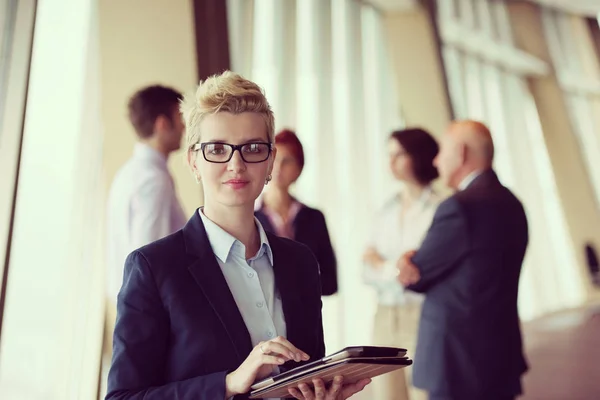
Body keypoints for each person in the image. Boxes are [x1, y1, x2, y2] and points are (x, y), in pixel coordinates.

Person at [106, 71, 370, 400]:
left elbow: (306, 375)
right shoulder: (152, 268)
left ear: (270, 161)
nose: (236, 164)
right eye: (217, 149)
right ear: (193, 161)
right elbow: (123, 397)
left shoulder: (300, 262)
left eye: (253, 148)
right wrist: (229, 383)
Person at [398, 121, 529, 400]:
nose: (435, 160)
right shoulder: (513, 204)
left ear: (460, 153)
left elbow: (416, 275)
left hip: (457, 362)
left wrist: (406, 262)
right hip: (500, 354)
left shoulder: (459, 207)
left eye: (441, 151)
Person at [362, 128, 441, 400]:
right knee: (387, 396)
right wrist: (397, 268)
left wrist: (382, 263)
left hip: (422, 316)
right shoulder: (386, 210)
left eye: (399, 154)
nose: (391, 162)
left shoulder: (440, 208)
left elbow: (427, 269)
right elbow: (365, 267)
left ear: (418, 156)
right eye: (389, 155)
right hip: (384, 317)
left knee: (423, 394)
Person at [106, 85, 187, 305]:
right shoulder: (153, 180)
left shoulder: (128, 173)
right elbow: (149, 258)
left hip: (133, 304)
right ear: (162, 124)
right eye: (180, 118)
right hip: (151, 310)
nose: (184, 127)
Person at [255, 129, 338, 296]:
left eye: (287, 161)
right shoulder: (249, 217)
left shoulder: (314, 218)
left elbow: (330, 283)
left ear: (299, 169)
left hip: (304, 317)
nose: (278, 167)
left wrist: (297, 281)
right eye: (274, 159)